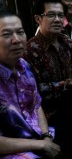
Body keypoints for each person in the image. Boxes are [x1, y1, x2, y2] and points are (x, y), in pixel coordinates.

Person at [24, 0, 72, 159]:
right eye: (51, 15)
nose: (57, 19)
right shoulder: (30, 51)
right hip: (51, 114)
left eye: (60, 15)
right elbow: (38, 91)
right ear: (38, 19)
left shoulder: (65, 41)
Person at [0, 10, 61, 159]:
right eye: (6, 34)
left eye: (20, 32)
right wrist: (40, 144)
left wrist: (46, 136)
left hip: (37, 137)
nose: (16, 40)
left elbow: (36, 104)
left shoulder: (23, 65)